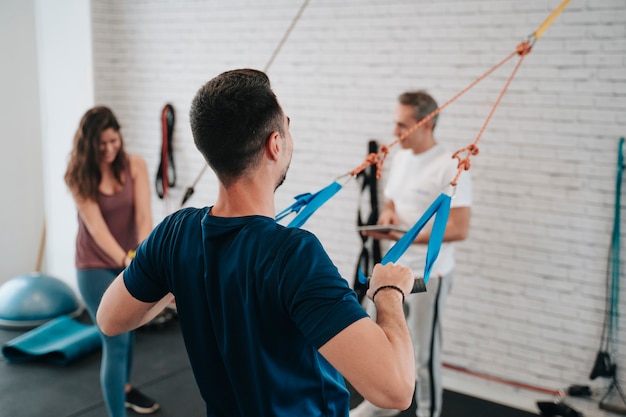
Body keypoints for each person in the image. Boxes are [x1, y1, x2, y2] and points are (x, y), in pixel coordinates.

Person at [96, 68, 417, 417]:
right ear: (274, 144)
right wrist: (388, 293)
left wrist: (175, 283)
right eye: (288, 124)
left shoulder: (175, 234)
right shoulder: (295, 256)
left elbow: (109, 319)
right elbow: (397, 390)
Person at [352, 91, 472, 417]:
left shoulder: (450, 166)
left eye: (402, 125)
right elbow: (393, 201)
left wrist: (404, 236)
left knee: (423, 356)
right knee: (378, 344)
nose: (395, 133)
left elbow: (459, 228)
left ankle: (428, 413)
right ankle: (380, 408)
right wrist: (389, 216)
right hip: (393, 273)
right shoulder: (403, 156)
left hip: (426, 278)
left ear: (426, 124)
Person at [64, 106, 159, 416]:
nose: (108, 149)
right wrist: (126, 259)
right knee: (115, 341)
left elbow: (144, 215)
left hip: (130, 260)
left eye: (113, 141)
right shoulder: (78, 176)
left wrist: (143, 255)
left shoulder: (135, 165)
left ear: (120, 138)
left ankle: (125, 389)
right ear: (89, 144)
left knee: (129, 335)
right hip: (94, 265)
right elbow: (97, 229)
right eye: (101, 144)